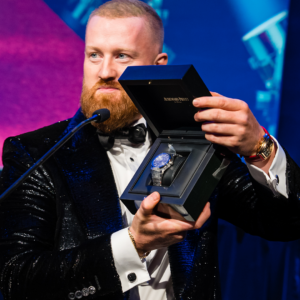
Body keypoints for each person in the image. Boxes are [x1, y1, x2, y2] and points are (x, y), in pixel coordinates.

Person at [0, 1, 300, 299]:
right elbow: (13, 278)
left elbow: (283, 224)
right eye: (94, 55)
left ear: (158, 66)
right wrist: (132, 244)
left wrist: (259, 148)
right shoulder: (35, 153)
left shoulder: (198, 142)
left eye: (122, 56)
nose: (105, 71)